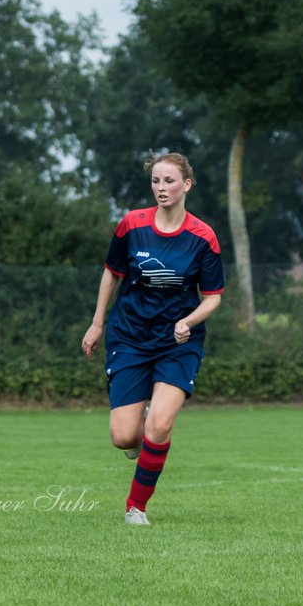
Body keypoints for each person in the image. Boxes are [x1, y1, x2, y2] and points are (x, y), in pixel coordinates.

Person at [82, 153, 224, 526]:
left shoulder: (203, 237)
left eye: (169, 181)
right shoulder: (132, 225)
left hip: (178, 342)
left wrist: (188, 321)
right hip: (129, 336)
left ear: (187, 185)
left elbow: (213, 298)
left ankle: (136, 508)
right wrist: (97, 324)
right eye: (156, 181)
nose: (162, 188)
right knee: (123, 437)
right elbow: (111, 274)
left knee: (159, 425)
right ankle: (141, 429)